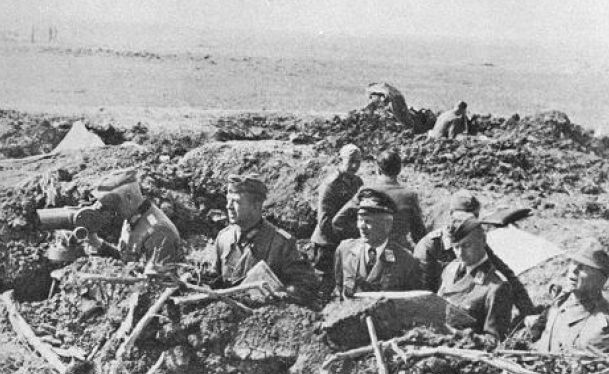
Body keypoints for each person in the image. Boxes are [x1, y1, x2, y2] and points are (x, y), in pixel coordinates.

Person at [413, 189, 535, 316]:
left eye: (474, 217)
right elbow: (421, 291)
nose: (468, 222)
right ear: (450, 214)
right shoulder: (429, 247)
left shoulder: (474, 240)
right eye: (464, 216)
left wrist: (529, 313)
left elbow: (507, 275)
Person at [211, 174, 317, 302]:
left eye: (236, 202)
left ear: (256, 205)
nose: (228, 206)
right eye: (228, 200)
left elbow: (305, 287)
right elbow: (214, 279)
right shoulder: (224, 238)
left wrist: (279, 295)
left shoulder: (282, 243)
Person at [334, 188, 421, 300]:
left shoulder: (405, 260)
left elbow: (412, 304)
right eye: (360, 220)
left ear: (387, 225)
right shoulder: (344, 250)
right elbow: (339, 292)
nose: (361, 226)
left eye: (368, 221)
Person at [332, 149, 426, 250]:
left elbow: (338, 221)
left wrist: (362, 236)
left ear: (378, 170)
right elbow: (419, 234)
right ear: (399, 170)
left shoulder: (367, 191)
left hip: (370, 251)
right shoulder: (409, 196)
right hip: (399, 253)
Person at [438, 218, 513, 340]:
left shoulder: (497, 286)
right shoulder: (450, 270)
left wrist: (459, 335)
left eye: (466, 245)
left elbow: (494, 340)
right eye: (456, 247)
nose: (460, 253)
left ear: (483, 241)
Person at [529, 241, 609, 353]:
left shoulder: (600, 323)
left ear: (600, 279)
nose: (574, 270)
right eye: (574, 262)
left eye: (583, 267)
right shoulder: (563, 298)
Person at [86, 169, 181, 263]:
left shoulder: (159, 231)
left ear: (129, 198)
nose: (111, 211)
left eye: (113, 204)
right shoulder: (132, 217)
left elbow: (152, 276)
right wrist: (98, 243)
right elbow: (126, 258)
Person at [310, 144, 363, 287]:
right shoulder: (330, 185)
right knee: (324, 285)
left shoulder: (357, 182)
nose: (354, 166)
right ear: (341, 160)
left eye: (358, 162)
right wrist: (345, 238)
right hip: (327, 244)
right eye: (350, 161)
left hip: (345, 242)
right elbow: (324, 221)